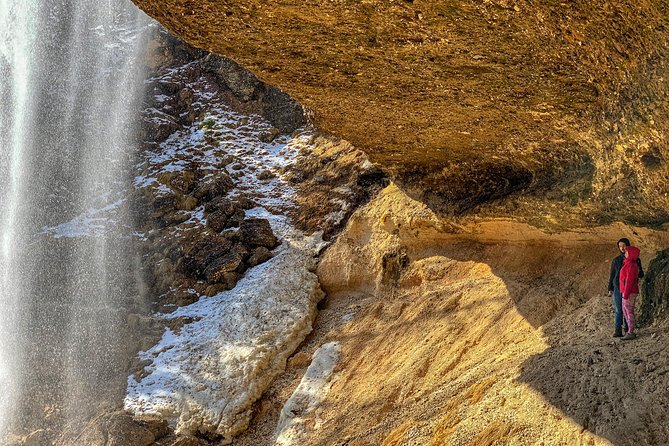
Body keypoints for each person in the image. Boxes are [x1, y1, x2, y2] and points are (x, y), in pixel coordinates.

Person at [607, 238, 643, 337]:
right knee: (619, 309)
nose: (622, 248)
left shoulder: (635, 260)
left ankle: (628, 330)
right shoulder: (616, 260)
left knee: (627, 309)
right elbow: (612, 275)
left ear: (628, 246)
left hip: (627, 288)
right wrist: (610, 288)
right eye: (620, 246)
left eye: (624, 246)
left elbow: (640, 274)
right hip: (618, 287)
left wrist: (638, 271)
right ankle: (618, 330)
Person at [619, 246, 641, 340]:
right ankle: (630, 331)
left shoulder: (631, 265)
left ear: (631, 254)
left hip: (629, 292)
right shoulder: (628, 263)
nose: (625, 253)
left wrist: (625, 294)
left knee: (629, 311)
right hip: (626, 291)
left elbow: (629, 281)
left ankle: (630, 332)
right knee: (626, 311)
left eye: (627, 252)